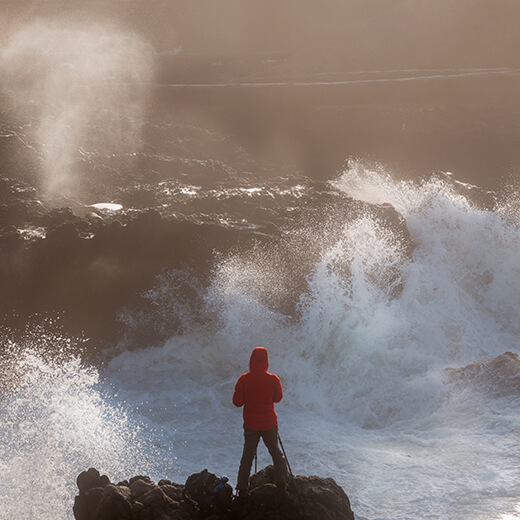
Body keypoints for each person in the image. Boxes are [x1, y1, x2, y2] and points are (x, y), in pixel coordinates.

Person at [233, 346, 289, 495]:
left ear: (251, 361)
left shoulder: (244, 379)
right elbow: (277, 399)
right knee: (275, 452)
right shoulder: (273, 379)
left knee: (248, 455)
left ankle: (242, 487)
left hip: (251, 424)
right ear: (266, 362)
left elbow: (237, 402)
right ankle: (283, 482)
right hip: (269, 424)